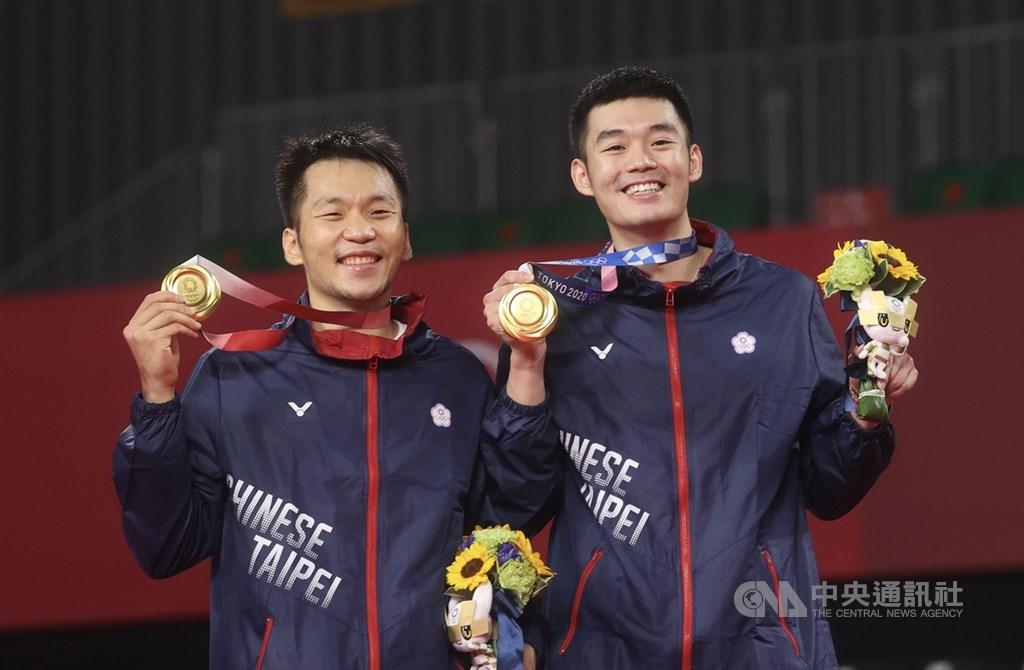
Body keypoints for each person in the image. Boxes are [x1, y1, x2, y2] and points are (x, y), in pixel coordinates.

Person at [483, 65, 918, 668]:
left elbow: (830, 489)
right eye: (615, 146)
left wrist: (867, 414)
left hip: (762, 642)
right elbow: (518, 503)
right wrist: (527, 364)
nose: (640, 161)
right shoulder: (552, 313)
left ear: (693, 160)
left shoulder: (782, 300)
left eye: (660, 141)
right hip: (604, 648)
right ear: (583, 176)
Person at [116, 122, 556, 669]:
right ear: (292, 243)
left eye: (379, 212)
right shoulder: (235, 376)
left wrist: (527, 371)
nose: (360, 231)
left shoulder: (456, 377)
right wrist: (157, 399)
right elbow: (166, 547)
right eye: (333, 214)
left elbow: (507, 524)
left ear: (407, 235)